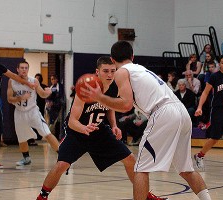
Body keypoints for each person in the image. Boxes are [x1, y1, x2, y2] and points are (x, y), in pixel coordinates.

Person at [83, 41, 211, 200]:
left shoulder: (122, 72)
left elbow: (125, 105)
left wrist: (99, 98)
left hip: (163, 113)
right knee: (186, 169)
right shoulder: (140, 69)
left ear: (112, 59)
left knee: (140, 169)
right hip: (181, 111)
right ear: (132, 56)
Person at [36, 56, 166, 200]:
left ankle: (145, 195)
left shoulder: (116, 86)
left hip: (99, 131)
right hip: (77, 132)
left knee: (130, 159)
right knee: (61, 164)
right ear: (97, 72)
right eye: (106, 71)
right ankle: (42, 196)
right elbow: (72, 121)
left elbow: (110, 106)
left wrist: (114, 125)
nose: (110, 75)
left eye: (113, 71)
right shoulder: (87, 88)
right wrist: (84, 128)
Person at [194, 54, 223, 173]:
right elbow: (205, 93)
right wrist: (199, 107)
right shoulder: (214, 77)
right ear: (219, 64)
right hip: (218, 110)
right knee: (215, 137)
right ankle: (199, 155)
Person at [7, 61, 59, 166]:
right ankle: (26, 159)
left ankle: (63, 156)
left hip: (32, 111)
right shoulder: (12, 81)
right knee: (21, 137)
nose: (24, 70)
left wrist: (48, 92)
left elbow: (42, 94)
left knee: (46, 133)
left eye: (26, 68)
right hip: (19, 112)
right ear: (17, 69)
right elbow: (9, 99)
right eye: (22, 68)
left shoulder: (33, 81)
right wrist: (20, 98)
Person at [45, 74, 65, 139]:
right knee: (51, 121)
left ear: (57, 79)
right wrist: (48, 102)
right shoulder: (50, 88)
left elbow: (61, 96)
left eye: (54, 79)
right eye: (52, 79)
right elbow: (46, 97)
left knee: (58, 121)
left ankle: (54, 135)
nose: (53, 81)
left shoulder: (60, 87)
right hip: (51, 108)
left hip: (58, 106)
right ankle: (49, 134)